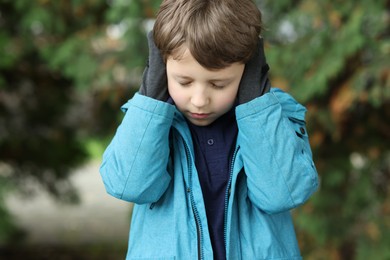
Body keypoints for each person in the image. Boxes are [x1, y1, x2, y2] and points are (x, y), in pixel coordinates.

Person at [100, 0, 319, 259]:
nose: (199, 100)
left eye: (218, 84)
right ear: (162, 66)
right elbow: (129, 185)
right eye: (184, 81)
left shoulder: (273, 114)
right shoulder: (151, 119)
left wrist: (255, 104)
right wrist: (151, 99)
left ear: (249, 69)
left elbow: (282, 194)